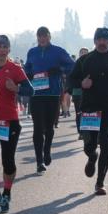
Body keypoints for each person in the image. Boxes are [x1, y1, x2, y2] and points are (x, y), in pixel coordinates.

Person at [68, 28, 108, 196]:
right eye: (99, 39)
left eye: (105, 39)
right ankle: (91, 157)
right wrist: (82, 83)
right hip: (89, 109)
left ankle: (100, 183)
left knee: (107, 144)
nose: (102, 42)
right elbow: (71, 79)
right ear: (95, 41)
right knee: (89, 145)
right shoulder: (84, 60)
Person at [0, 35, 28, 214]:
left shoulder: (15, 69)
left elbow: (30, 90)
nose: (1, 49)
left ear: (9, 49)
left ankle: (7, 193)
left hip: (10, 122)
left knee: (8, 161)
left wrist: (16, 88)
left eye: (5, 46)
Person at [24, 27, 73, 173]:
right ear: (37, 38)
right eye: (39, 36)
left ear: (49, 36)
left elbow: (71, 65)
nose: (42, 39)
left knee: (50, 128)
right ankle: (39, 161)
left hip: (52, 94)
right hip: (36, 95)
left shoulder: (58, 51)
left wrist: (60, 70)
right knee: (38, 128)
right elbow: (27, 69)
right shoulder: (32, 52)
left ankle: (47, 150)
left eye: (44, 36)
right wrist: (28, 74)